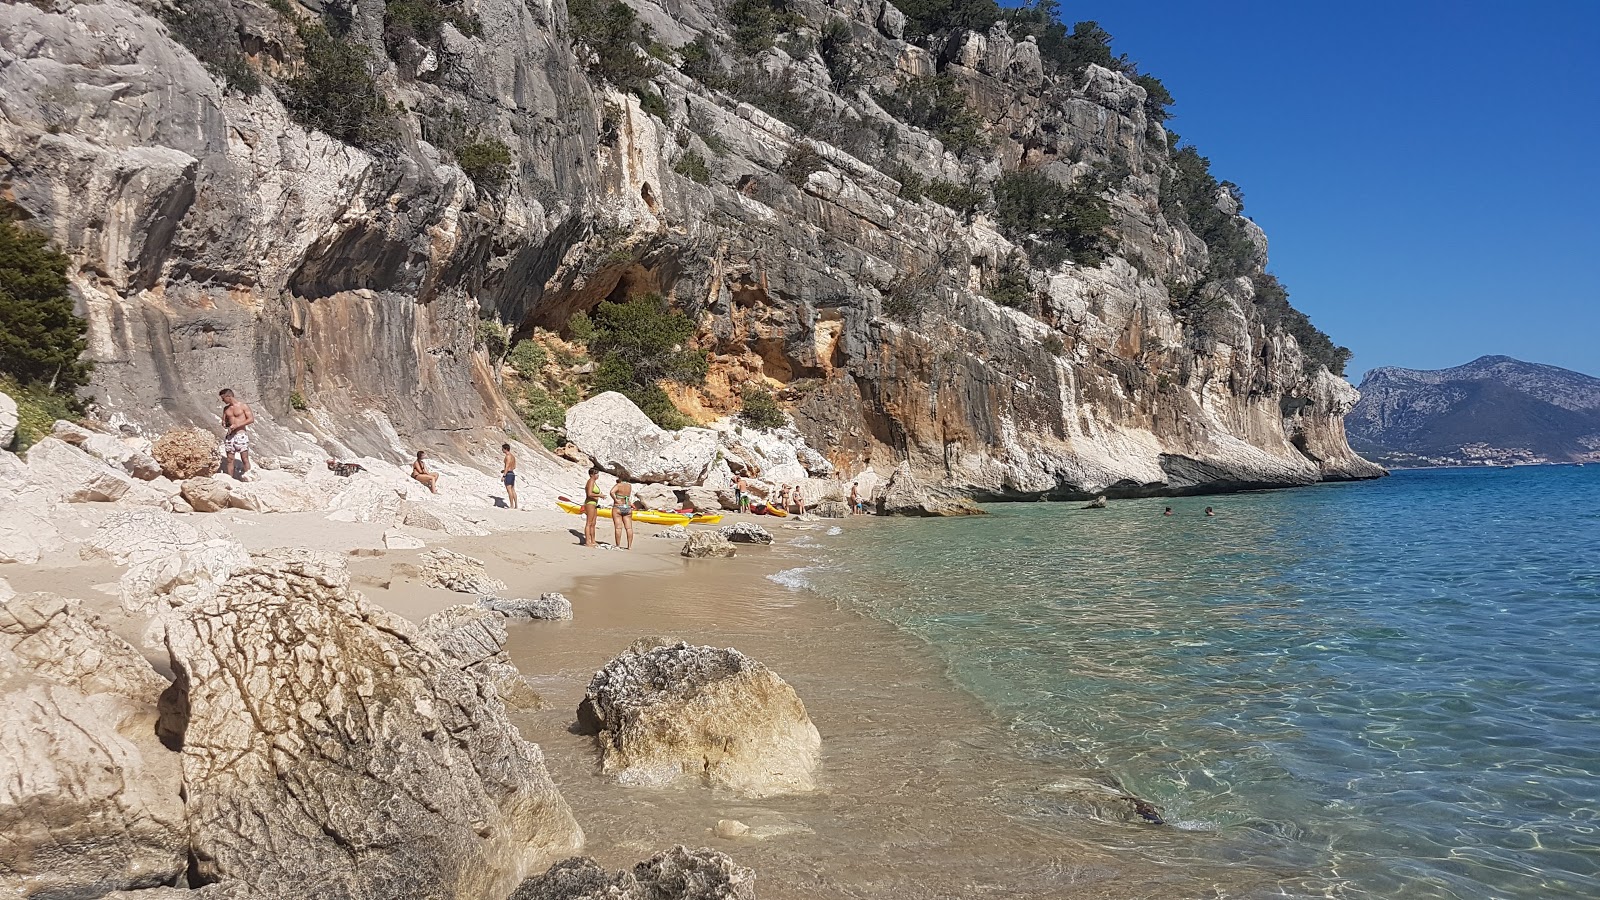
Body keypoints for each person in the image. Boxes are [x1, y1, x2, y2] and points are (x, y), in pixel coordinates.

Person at [218, 388, 254, 480]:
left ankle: (248, 477)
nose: (222, 400)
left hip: (240, 435)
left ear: (228, 396)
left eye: (223, 398)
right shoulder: (226, 409)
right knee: (230, 459)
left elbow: (250, 419)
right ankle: (230, 479)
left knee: (244, 458)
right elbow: (224, 421)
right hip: (230, 436)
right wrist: (225, 424)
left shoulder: (243, 406)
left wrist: (237, 425)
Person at [610, 476, 634, 550]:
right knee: (629, 528)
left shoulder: (618, 485)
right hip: (627, 506)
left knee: (618, 528)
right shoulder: (629, 486)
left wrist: (616, 499)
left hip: (618, 506)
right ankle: (629, 546)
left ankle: (618, 545)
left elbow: (611, 492)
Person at [582, 467, 602, 548]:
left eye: (598, 474)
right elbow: (589, 494)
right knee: (589, 523)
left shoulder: (594, 482)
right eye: (596, 474)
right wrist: (599, 495)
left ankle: (593, 540)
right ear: (591, 475)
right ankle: (587, 541)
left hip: (594, 504)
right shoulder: (590, 481)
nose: (598, 475)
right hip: (590, 503)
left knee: (593, 523)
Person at [501, 443, 518, 510]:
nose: (502, 450)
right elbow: (514, 467)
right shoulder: (512, 456)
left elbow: (507, 466)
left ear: (505, 449)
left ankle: (511, 505)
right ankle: (516, 505)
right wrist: (504, 470)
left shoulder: (508, 456)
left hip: (508, 474)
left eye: (502, 449)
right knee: (513, 489)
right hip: (512, 473)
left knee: (509, 490)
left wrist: (504, 475)